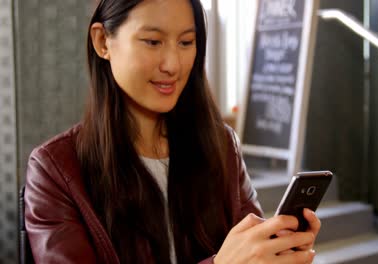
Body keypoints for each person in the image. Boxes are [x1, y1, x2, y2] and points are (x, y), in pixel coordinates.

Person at [24, 0, 321, 263]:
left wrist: (277, 251)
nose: (173, 64)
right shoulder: (55, 170)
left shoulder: (221, 144)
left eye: (186, 42)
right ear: (102, 41)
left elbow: (247, 245)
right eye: (153, 42)